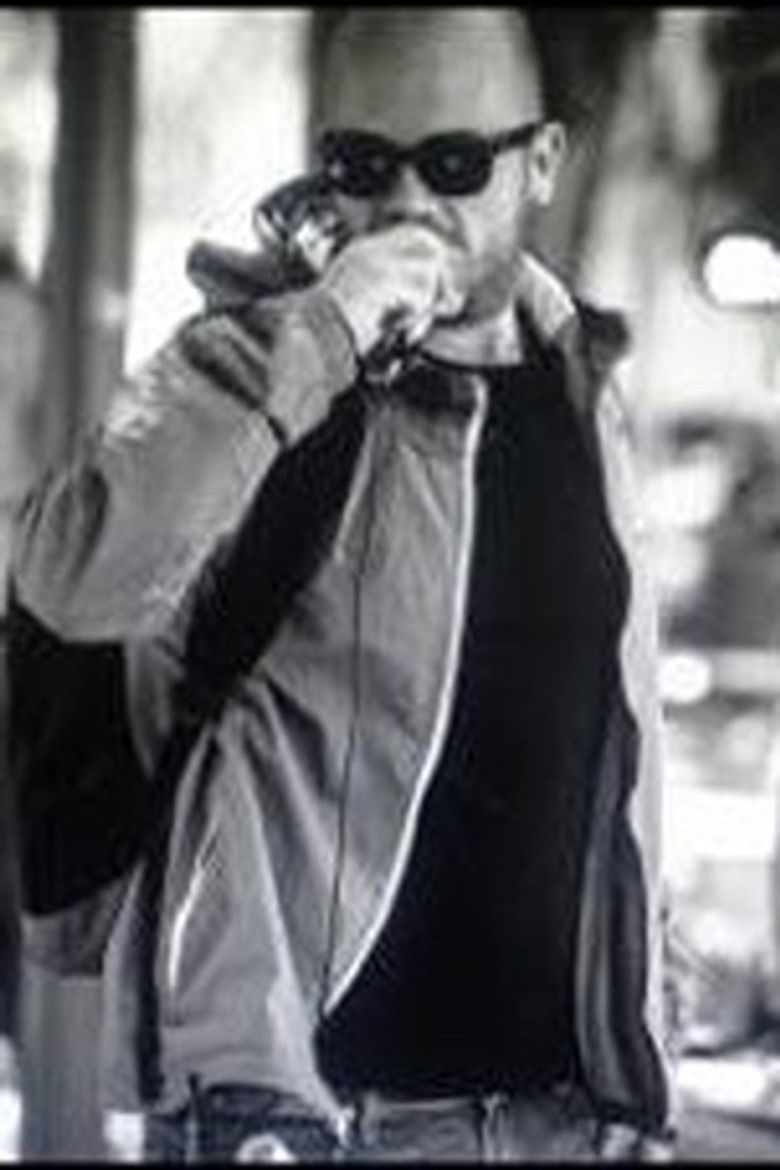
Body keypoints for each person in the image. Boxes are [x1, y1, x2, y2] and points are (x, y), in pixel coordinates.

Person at [9, 8, 674, 1161]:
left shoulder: (584, 393)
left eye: (454, 163)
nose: (408, 204)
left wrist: (649, 1030)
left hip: (551, 1120)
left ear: (542, 163)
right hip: (297, 1116)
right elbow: (70, 576)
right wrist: (322, 333)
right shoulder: (251, 364)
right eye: (366, 164)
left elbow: (616, 745)